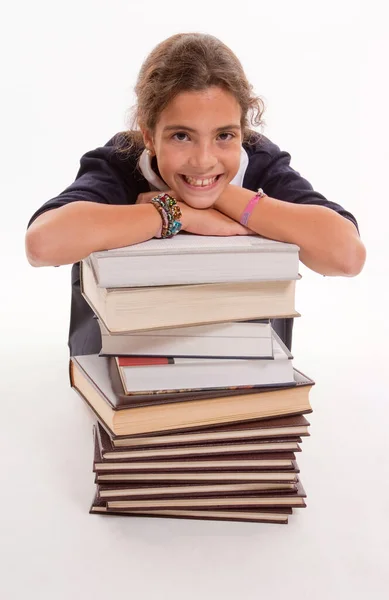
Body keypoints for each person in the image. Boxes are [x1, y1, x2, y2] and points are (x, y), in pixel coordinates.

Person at [25, 33, 366, 356]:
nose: (204, 161)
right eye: (181, 136)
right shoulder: (121, 160)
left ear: (243, 130)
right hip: (126, 363)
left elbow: (346, 256)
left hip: (243, 367)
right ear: (148, 135)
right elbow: (43, 245)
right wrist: (174, 212)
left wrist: (225, 197)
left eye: (224, 136)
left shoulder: (259, 160)